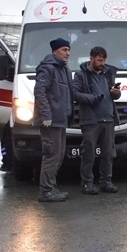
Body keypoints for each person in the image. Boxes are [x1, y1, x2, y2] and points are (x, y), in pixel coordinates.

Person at [33, 38, 84, 202]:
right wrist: (46, 115)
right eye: (64, 50)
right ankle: (45, 191)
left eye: (69, 50)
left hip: (61, 120)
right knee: (51, 156)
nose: (67, 53)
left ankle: (51, 186)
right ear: (55, 51)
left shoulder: (64, 70)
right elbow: (40, 91)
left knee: (59, 155)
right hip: (51, 122)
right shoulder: (48, 69)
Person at [73, 45, 122, 195]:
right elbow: (75, 93)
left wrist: (116, 93)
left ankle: (106, 181)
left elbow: (115, 96)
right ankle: (87, 182)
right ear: (92, 58)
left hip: (108, 119)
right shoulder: (81, 75)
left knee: (108, 153)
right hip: (90, 120)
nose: (102, 63)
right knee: (88, 152)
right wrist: (93, 99)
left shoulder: (108, 74)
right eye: (99, 60)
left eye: (103, 60)